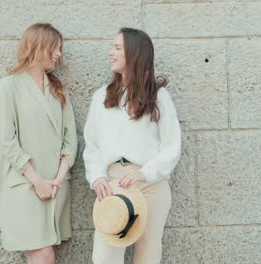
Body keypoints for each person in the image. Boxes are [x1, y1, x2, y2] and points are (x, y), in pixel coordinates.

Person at [83, 27, 181, 264]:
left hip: (150, 185)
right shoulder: (101, 97)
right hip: (112, 185)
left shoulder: (159, 97)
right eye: (112, 47)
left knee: (147, 256)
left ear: (134, 54)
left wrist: (145, 173)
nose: (110, 53)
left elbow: (172, 147)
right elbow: (91, 144)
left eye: (117, 48)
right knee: (104, 257)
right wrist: (97, 177)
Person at [0, 23, 77, 264]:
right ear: (39, 45)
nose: (59, 54)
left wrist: (59, 178)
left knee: (44, 251)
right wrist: (37, 180)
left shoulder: (58, 89)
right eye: (56, 48)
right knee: (42, 253)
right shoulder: (9, 86)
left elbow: (70, 139)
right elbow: (7, 142)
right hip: (26, 183)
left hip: (55, 183)